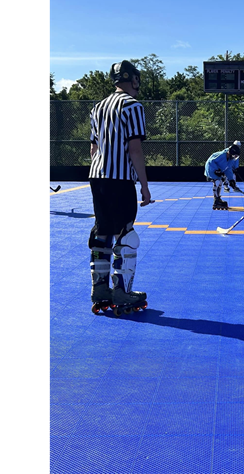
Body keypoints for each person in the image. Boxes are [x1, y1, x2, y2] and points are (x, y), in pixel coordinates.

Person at [87, 60, 152, 313]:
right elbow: (134, 149)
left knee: (102, 232)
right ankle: (122, 292)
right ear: (133, 80)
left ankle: (99, 288)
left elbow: (93, 148)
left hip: (97, 175)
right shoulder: (132, 106)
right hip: (120, 178)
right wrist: (144, 186)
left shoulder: (98, 107)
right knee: (127, 236)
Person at [204, 141, 241, 210]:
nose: (235, 157)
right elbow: (211, 161)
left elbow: (228, 169)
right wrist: (215, 170)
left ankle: (218, 198)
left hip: (218, 170)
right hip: (211, 168)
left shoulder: (230, 159)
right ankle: (216, 200)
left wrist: (231, 180)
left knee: (220, 182)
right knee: (217, 182)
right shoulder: (222, 155)